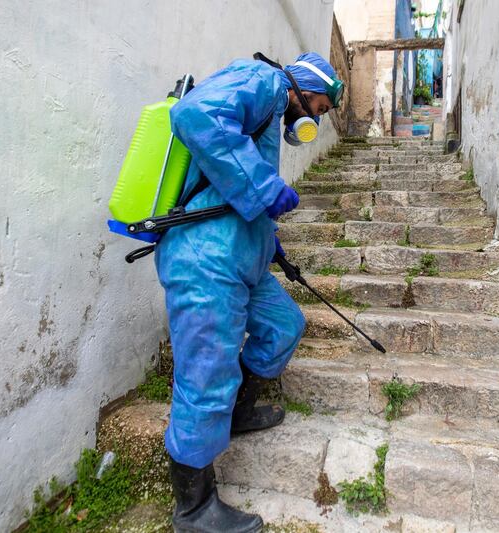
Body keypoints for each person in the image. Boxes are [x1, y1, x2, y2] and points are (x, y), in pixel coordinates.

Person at [155, 51, 344, 533]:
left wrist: (269, 241)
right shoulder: (266, 81)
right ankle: (194, 509)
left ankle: (236, 412)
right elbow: (195, 114)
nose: (316, 119)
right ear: (305, 87)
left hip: (241, 259)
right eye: (320, 108)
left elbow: (233, 185)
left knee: (283, 326)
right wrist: (267, 189)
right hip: (206, 260)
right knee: (206, 375)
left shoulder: (271, 102)